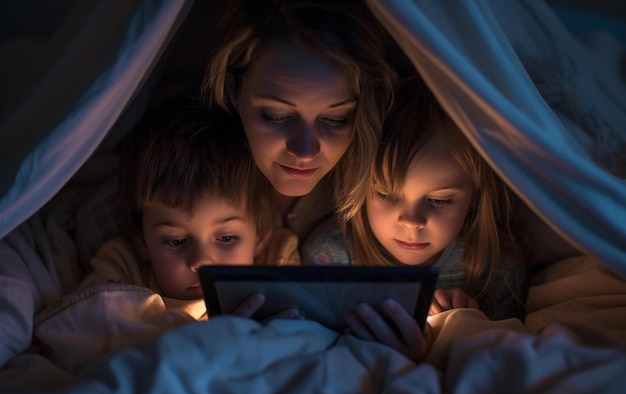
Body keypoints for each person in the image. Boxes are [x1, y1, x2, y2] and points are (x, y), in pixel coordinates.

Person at [305, 76, 527, 360]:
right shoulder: (329, 261)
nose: (411, 222)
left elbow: (501, 373)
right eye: (385, 194)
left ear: (474, 197)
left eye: (438, 200)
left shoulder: (496, 273)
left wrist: (465, 328)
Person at [76, 96, 301, 319]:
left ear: (260, 236)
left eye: (226, 238)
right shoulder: (122, 269)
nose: (201, 261)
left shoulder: (275, 262)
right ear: (142, 241)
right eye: (177, 241)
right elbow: (82, 334)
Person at [201, 0, 399, 248]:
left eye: (335, 120)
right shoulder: (185, 174)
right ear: (232, 89)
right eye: (277, 116)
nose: (305, 152)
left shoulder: (391, 189)